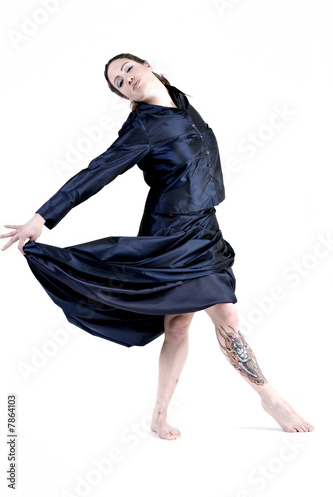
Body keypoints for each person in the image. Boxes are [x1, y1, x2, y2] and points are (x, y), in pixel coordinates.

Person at [1, 53, 314, 440]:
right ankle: (177, 413)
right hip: (169, 234)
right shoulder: (142, 127)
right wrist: (43, 217)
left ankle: (265, 399)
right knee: (180, 326)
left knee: (223, 319)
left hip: (205, 228)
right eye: (118, 82)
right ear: (121, 94)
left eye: (128, 69)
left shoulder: (181, 101)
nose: (126, 79)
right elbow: (96, 172)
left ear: (147, 65)